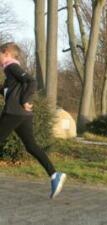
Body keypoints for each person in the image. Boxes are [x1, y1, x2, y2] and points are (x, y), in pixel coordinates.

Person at [0, 42, 66, 198]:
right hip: (22, 115)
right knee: (31, 146)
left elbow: (31, 81)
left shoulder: (11, 67)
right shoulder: (10, 72)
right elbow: (9, 91)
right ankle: (54, 174)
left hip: (14, 112)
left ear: (7, 54)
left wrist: (24, 100)